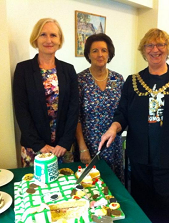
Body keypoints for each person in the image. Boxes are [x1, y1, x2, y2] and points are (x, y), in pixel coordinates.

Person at [98, 28, 169, 223]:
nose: (155, 49)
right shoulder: (133, 81)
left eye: (160, 44)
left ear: (168, 48)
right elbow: (123, 114)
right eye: (150, 45)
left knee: (166, 206)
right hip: (139, 156)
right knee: (141, 203)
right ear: (143, 50)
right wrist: (113, 127)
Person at [13, 18, 79, 167]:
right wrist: (39, 145)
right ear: (35, 39)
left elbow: (73, 109)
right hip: (34, 148)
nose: (49, 40)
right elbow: (21, 110)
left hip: (63, 148)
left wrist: (65, 142)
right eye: (43, 34)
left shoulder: (68, 70)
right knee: (35, 189)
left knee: (65, 188)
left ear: (59, 40)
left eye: (53, 35)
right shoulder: (23, 70)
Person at [76, 33, 125, 182]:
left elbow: (123, 112)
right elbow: (75, 117)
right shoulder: (80, 80)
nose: (100, 54)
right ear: (88, 54)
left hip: (114, 143)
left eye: (104, 50)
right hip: (90, 144)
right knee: (92, 185)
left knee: (114, 185)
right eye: (95, 50)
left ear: (109, 53)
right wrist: (82, 147)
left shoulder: (118, 79)